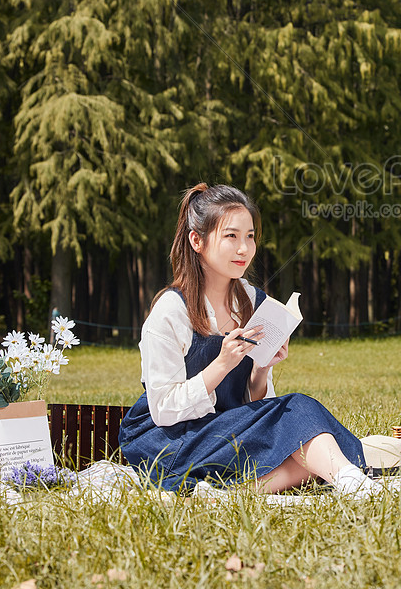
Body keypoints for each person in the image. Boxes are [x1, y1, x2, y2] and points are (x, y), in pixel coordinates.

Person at [118, 183, 380, 496]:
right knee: (297, 415)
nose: (244, 248)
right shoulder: (171, 311)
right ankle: (353, 481)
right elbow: (163, 409)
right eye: (231, 236)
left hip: (225, 428)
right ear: (196, 241)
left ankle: (241, 494)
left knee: (303, 444)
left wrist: (261, 368)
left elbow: (252, 405)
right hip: (169, 439)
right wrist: (222, 364)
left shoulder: (251, 300)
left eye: (250, 236)